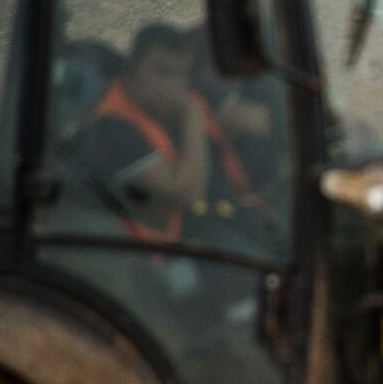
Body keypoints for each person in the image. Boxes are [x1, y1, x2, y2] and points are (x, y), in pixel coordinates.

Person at [83, 23, 262, 249]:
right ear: (132, 69)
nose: (171, 84)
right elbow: (188, 193)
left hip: (238, 208)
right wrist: (193, 115)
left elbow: (261, 122)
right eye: (161, 71)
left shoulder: (189, 89)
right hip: (160, 256)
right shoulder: (110, 128)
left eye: (180, 74)